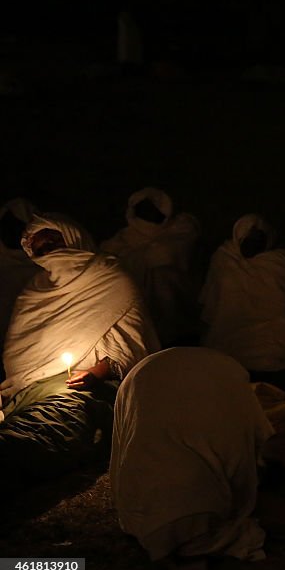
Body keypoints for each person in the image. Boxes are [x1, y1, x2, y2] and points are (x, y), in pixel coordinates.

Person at [0, 214, 158, 480]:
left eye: (54, 240)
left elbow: (133, 345)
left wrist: (96, 373)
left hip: (84, 388)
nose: (49, 251)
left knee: (44, 431)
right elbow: (19, 353)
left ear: (73, 237)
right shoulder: (34, 291)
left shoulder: (110, 278)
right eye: (41, 249)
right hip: (28, 390)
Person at [110, 347, 274, 570]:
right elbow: (255, 439)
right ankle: (191, 542)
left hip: (142, 515)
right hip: (203, 510)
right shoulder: (225, 377)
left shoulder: (142, 380)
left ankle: (180, 544)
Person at [200, 215, 285, 394]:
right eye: (248, 239)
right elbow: (212, 302)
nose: (253, 245)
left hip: (273, 343)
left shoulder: (280, 262)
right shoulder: (224, 259)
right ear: (238, 238)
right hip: (229, 339)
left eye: (259, 240)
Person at [100, 187, 201, 345]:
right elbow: (108, 261)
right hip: (141, 308)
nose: (148, 214)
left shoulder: (181, 229)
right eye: (144, 209)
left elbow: (166, 255)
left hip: (176, 311)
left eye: (153, 209)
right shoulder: (122, 239)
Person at [0, 198, 40, 355]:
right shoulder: (3, 264)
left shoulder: (45, 268)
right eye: (6, 227)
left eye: (19, 227)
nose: (13, 233)